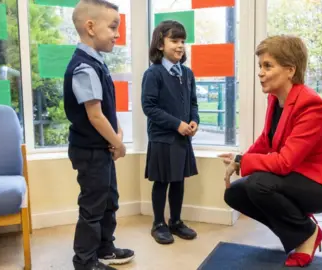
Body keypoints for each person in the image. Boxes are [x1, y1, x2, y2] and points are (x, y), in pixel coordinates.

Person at [219, 35, 322, 267]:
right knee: (235, 194)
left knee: (258, 184)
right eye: (260, 66)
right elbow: (267, 141)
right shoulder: (275, 99)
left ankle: (307, 235)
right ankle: (304, 229)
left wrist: (244, 160)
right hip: (299, 179)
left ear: (290, 70)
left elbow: (284, 162)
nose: (260, 72)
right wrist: (240, 159)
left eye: (268, 66)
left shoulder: (311, 105)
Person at [63, 1, 134, 269]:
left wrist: (115, 131)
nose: (117, 34)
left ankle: (105, 248)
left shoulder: (96, 62)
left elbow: (103, 109)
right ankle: (85, 261)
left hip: (101, 149)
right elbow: (94, 115)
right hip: (90, 151)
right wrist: (119, 144)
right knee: (92, 207)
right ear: (90, 27)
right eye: (113, 27)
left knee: (108, 201)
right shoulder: (83, 67)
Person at [141, 20, 199, 245]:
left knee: (178, 181)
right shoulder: (153, 74)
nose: (180, 45)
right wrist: (177, 124)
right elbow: (150, 107)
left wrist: (194, 120)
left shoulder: (187, 74)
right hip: (162, 138)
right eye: (174, 40)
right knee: (162, 181)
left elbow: (193, 103)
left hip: (182, 139)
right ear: (160, 45)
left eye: (183, 41)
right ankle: (158, 224)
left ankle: (175, 221)